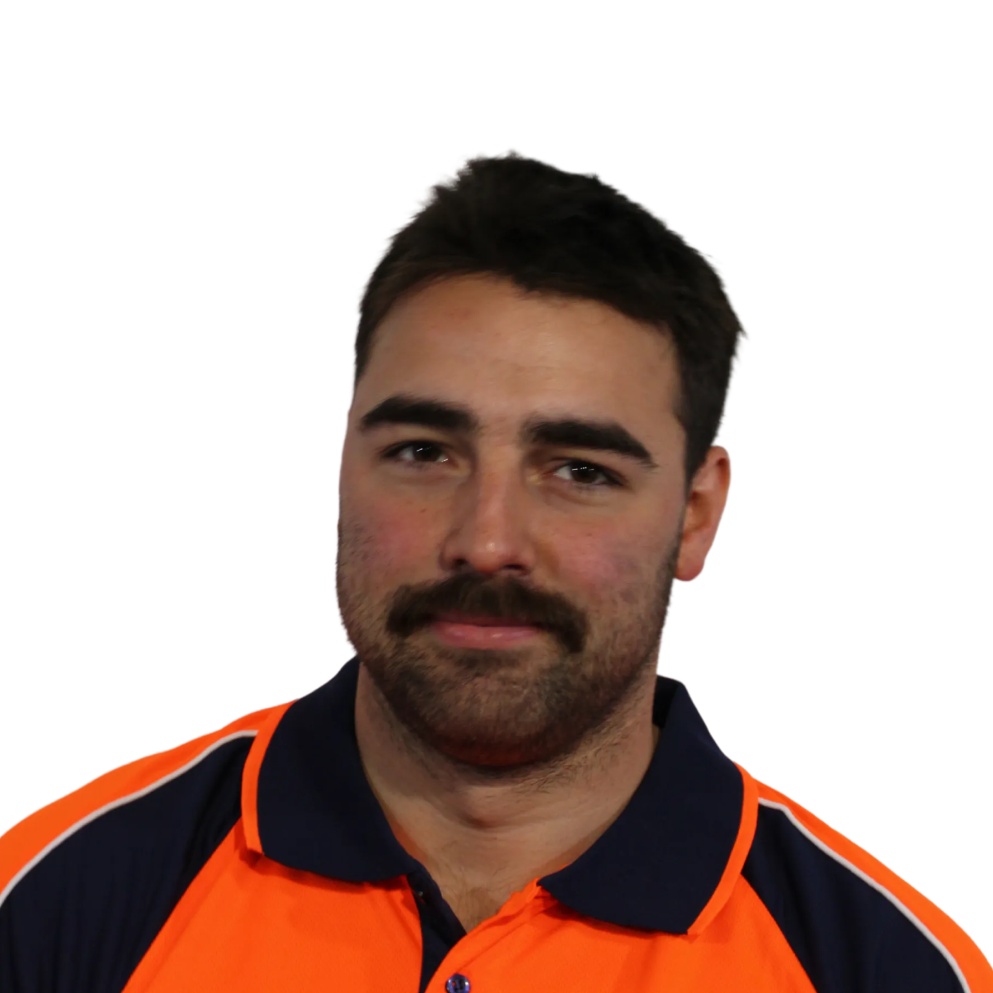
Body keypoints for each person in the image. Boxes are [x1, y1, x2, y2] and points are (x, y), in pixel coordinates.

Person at [0, 155, 989, 993]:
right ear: (345, 461)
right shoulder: (58, 901)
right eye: (426, 451)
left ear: (695, 515)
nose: (486, 541)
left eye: (579, 471)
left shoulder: (884, 965)